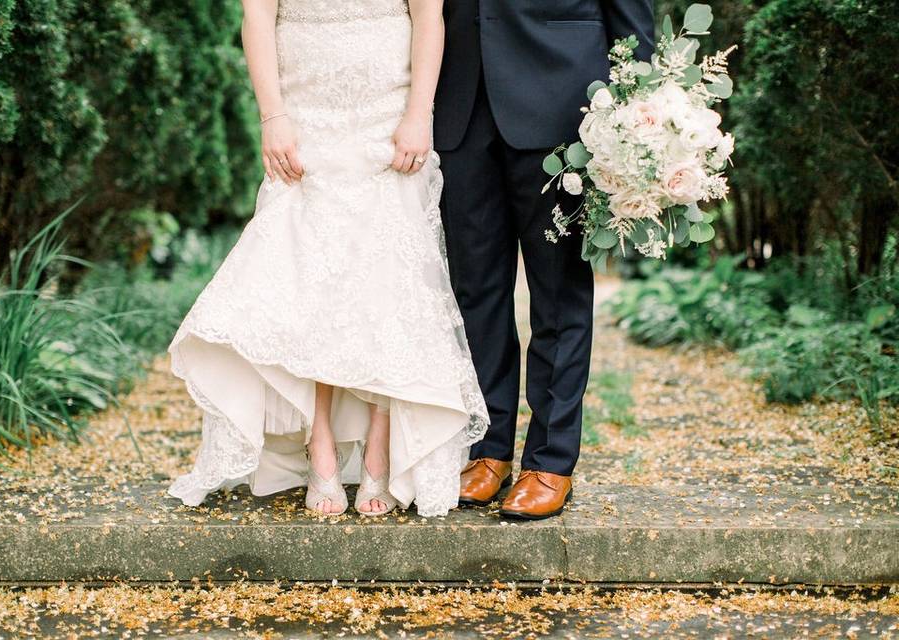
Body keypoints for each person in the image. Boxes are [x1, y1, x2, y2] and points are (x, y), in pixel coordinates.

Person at [167, 0, 487, 519]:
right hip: (307, 118)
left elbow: (429, 16)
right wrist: (273, 117)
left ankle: (380, 444)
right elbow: (257, 18)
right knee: (313, 283)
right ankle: (319, 446)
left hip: (386, 117)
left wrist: (418, 113)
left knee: (383, 281)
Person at [435, 0, 654, 519]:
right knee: (475, 293)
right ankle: (486, 450)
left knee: (558, 295)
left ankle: (550, 461)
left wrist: (637, 127)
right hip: (458, 104)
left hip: (564, 111)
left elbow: (633, 25)